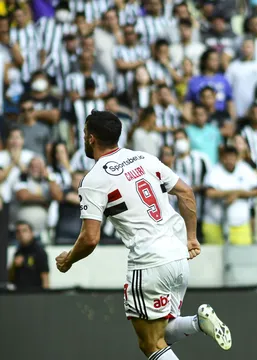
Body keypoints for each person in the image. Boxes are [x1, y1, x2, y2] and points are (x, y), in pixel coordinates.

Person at [54, 110, 232, 360]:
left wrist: (68, 259)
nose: (84, 137)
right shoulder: (143, 158)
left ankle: (197, 324)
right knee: (162, 334)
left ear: (91, 138)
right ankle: (197, 323)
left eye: (84, 133)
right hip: (178, 258)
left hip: (149, 262)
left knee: (150, 345)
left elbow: (90, 238)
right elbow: (186, 193)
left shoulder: (94, 179)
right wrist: (191, 237)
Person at [9, 220, 50, 290]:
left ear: (31, 233)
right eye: (18, 232)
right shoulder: (18, 252)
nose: (21, 234)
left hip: (35, 293)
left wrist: (45, 295)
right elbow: (11, 277)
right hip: (19, 293)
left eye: (24, 231)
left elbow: (45, 276)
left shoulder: (39, 252)